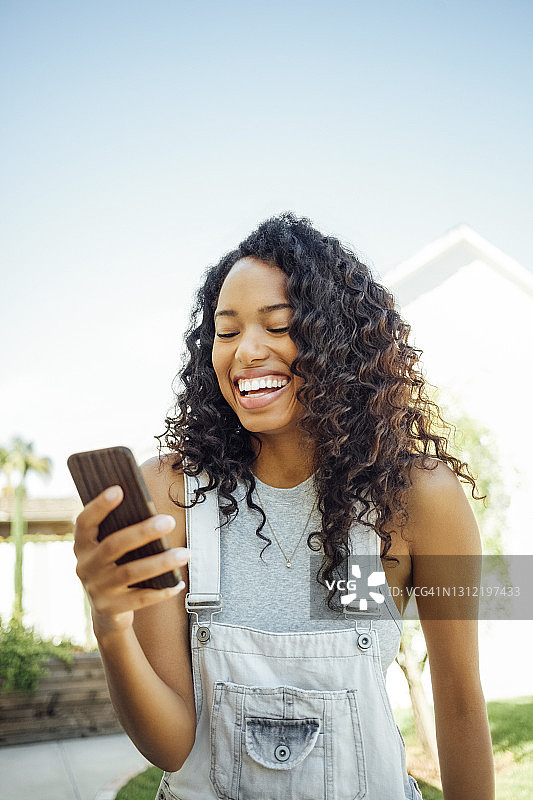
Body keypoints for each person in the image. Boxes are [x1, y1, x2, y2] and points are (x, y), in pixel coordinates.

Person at [74, 213, 495, 800]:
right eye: (226, 331)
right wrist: (110, 624)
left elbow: (461, 705)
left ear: (341, 343)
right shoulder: (172, 496)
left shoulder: (412, 500)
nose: (246, 351)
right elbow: (171, 747)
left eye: (279, 326)